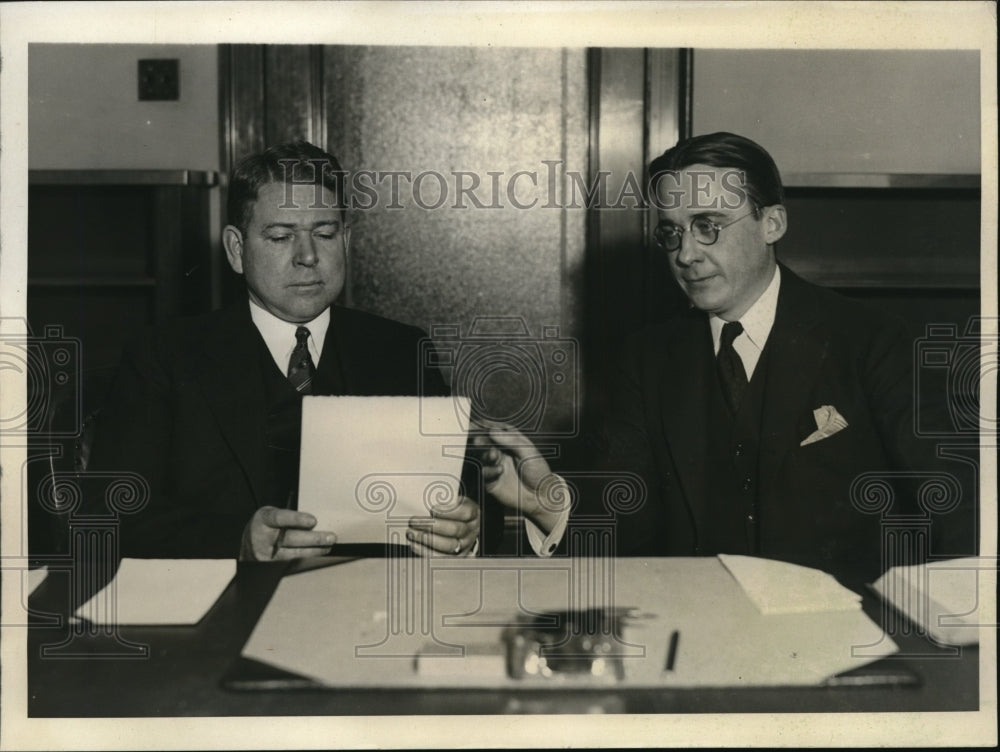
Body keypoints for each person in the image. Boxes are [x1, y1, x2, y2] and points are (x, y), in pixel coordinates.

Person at [477, 131, 974, 578]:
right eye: (671, 232)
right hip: (701, 630)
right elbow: (629, 521)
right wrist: (547, 504)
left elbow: (954, 508)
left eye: (708, 225)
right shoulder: (648, 360)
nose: (686, 254)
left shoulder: (872, 339)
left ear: (772, 223)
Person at [88, 141, 489, 560]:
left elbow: (464, 498)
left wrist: (465, 533)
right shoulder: (163, 357)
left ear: (346, 241)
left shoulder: (402, 351)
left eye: (325, 234)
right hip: (231, 597)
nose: (308, 256)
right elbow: (108, 515)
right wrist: (239, 543)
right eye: (281, 237)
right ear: (236, 250)